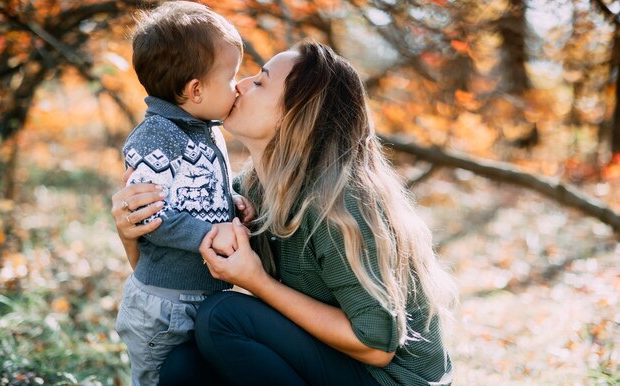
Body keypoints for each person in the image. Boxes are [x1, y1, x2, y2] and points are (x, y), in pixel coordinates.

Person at [112, 40, 458, 386]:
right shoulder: (252, 191)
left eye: (260, 82)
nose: (241, 85)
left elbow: (375, 344)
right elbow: (172, 277)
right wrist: (132, 228)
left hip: (388, 377)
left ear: (297, 114)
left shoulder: (341, 204)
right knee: (183, 366)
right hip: (333, 361)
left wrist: (258, 283)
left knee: (223, 318)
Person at [114, 0, 254, 386]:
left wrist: (231, 203)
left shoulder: (203, 128)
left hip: (199, 294)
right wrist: (212, 234)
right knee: (158, 379)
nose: (238, 87)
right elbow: (149, 215)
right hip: (164, 303)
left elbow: (197, 191)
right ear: (195, 90)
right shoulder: (158, 137)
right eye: (231, 78)